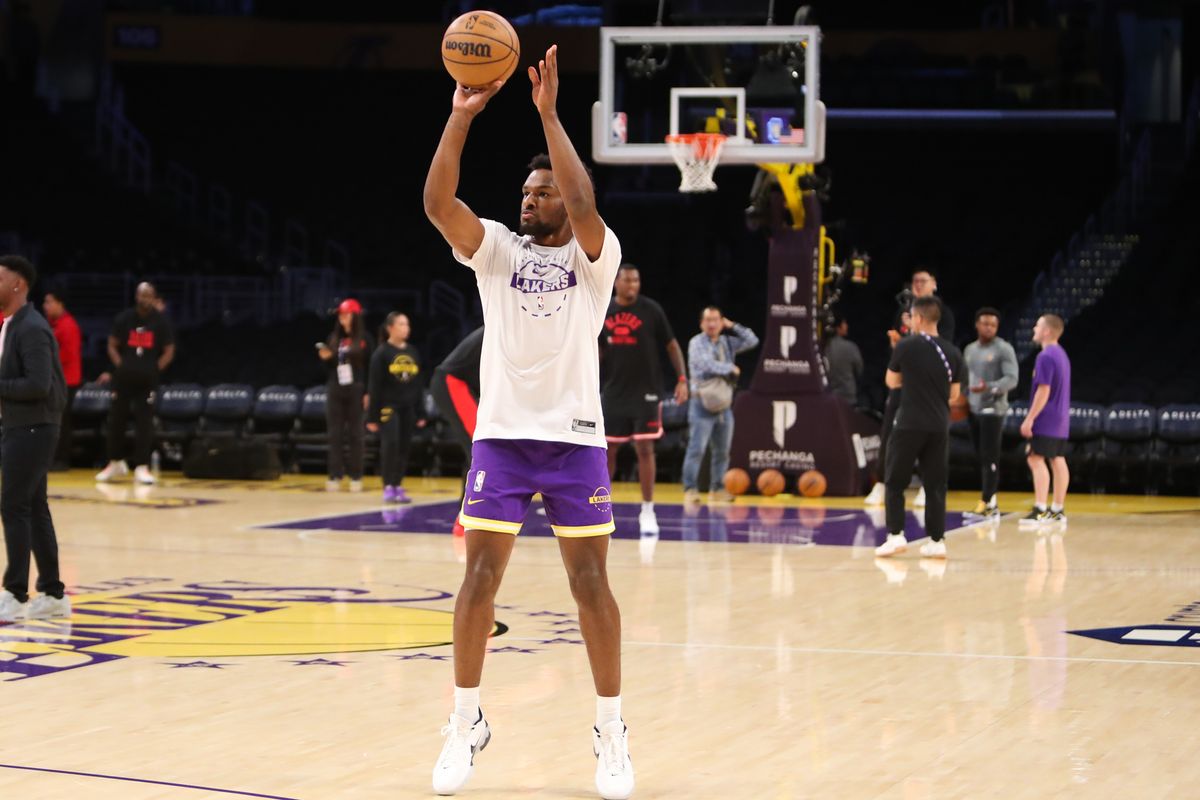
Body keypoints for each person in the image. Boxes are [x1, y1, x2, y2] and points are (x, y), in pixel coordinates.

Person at [422, 45, 633, 799]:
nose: (527, 200)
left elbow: (583, 206)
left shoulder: (593, 262)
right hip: (505, 438)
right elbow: (438, 206)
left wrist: (548, 115)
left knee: (591, 588)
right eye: (523, 190)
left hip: (574, 439)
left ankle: (611, 730)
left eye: (538, 192)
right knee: (479, 580)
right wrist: (458, 118)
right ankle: (465, 720)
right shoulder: (497, 252)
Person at [0, 255, 70, 622]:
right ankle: (54, 595)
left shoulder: (31, 327)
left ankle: (14, 593)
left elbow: (38, 384)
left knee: (14, 506)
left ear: (18, 284)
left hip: (32, 426)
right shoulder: (14, 324)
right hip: (24, 425)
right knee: (34, 506)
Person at [874, 296, 965, 560]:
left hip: (908, 423)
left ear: (920, 318)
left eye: (912, 317)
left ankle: (895, 536)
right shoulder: (953, 352)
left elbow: (891, 381)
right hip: (939, 425)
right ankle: (937, 541)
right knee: (936, 485)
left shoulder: (906, 346)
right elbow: (954, 395)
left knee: (895, 482)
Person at [601, 263, 688, 535]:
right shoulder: (605, 310)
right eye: (628, 281)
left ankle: (648, 511)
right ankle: (602, 507)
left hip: (647, 391)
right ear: (616, 283)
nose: (633, 286)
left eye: (636, 281)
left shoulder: (651, 310)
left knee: (645, 450)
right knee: (608, 451)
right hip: (613, 391)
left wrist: (682, 379)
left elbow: (671, 345)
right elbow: (595, 350)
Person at [866, 267, 955, 507]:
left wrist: (911, 340)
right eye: (915, 281)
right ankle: (882, 484)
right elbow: (897, 353)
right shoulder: (902, 311)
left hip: (928, 388)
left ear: (934, 284)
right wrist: (897, 343)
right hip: (903, 385)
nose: (917, 284)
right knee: (889, 434)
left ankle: (928, 486)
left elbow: (941, 350)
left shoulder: (943, 314)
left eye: (923, 281)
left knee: (932, 439)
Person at [96, 282, 175, 485]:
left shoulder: (160, 322)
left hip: (147, 380)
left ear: (154, 297)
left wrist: (155, 368)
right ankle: (115, 462)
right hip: (123, 379)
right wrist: (120, 364)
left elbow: (169, 350)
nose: (145, 299)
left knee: (144, 424)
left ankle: (142, 466)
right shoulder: (124, 319)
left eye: (149, 295)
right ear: (136, 296)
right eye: (142, 295)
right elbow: (112, 344)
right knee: (116, 420)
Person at [681, 306, 759, 505]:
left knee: (723, 451)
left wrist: (733, 326)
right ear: (701, 323)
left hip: (724, 405)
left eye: (716, 320)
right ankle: (690, 489)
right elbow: (705, 364)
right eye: (708, 320)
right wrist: (729, 367)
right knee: (696, 449)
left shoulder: (727, 342)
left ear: (721, 322)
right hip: (701, 403)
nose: (712, 324)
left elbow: (752, 340)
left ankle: (718, 489)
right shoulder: (696, 342)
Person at [963, 307, 1018, 518]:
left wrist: (990, 387)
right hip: (973, 407)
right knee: (981, 456)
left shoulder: (1004, 349)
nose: (989, 328)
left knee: (990, 456)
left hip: (993, 409)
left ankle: (989, 501)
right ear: (977, 324)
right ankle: (988, 498)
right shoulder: (969, 350)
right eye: (985, 324)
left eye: (993, 325)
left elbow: (1012, 379)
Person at [366, 312, 424, 504]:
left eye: (407, 324)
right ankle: (388, 486)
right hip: (388, 407)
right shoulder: (381, 353)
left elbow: (418, 384)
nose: (405, 328)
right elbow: (374, 386)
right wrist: (372, 417)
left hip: (408, 407)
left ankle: (398, 484)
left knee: (404, 446)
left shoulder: (413, 352)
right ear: (390, 328)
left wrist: (421, 411)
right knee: (391, 444)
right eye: (401, 324)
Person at [1019, 314, 1071, 526]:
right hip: (1060, 418)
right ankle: (1057, 509)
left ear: (1047, 331)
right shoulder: (1062, 354)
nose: (1034, 329)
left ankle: (1040, 508)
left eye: (1037, 326)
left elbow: (1043, 390)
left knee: (1035, 458)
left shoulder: (1045, 356)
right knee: (1057, 459)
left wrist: (1030, 419)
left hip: (1046, 417)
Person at [317, 298, 371, 493]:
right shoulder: (334, 338)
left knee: (356, 434)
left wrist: (367, 392)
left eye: (346, 314)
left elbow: (370, 366)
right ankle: (335, 474)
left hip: (356, 388)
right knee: (335, 434)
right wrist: (325, 358)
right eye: (341, 315)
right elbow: (328, 367)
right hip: (335, 387)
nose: (343, 318)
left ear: (355, 317)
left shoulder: (365, 338)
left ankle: (356, 475)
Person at [42, 287, 82, 470]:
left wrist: (43, 360)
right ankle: (53, 457)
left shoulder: (68, 325)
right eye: (45, 302)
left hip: (67, 381)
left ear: (60, 304)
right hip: (55, 380)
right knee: (53, 420)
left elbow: (67, 354)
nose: (45, 306)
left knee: (62, 421)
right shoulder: (51, 324)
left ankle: (63, 459)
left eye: (49, 302)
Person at [823, 314, 863, 406]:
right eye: (844, 323)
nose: (847, 326)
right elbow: (859, 371)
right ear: (838, 328)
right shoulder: (851, 347)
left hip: (828, 397)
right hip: (848, 398)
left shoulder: (823, 348)